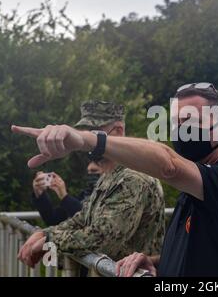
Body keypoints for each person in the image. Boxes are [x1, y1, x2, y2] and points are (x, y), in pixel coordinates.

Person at [11, 85, 218, 277]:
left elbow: (169, 165)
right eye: (178, 123)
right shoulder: (193, 194)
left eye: (193, 121)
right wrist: (154, 262)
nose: (183, 131)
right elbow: (204, 257)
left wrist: (88, 140)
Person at [16, 101, 165, 266]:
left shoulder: (133, 177)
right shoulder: (110, 174)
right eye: (83, 132)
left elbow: (103, 238)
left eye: (93, 132)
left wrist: (50, 240)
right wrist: (45, 234)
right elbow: (83, 218)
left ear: (118, 131)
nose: (86, 139)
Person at [31, 161, 103, 226]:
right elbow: (53, 220)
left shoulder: (110, 195)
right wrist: (40, 194)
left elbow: (90, 221)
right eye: (88, 172)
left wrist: (65, 197)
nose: (90, 175)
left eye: (94, 171)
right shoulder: (84, 195)